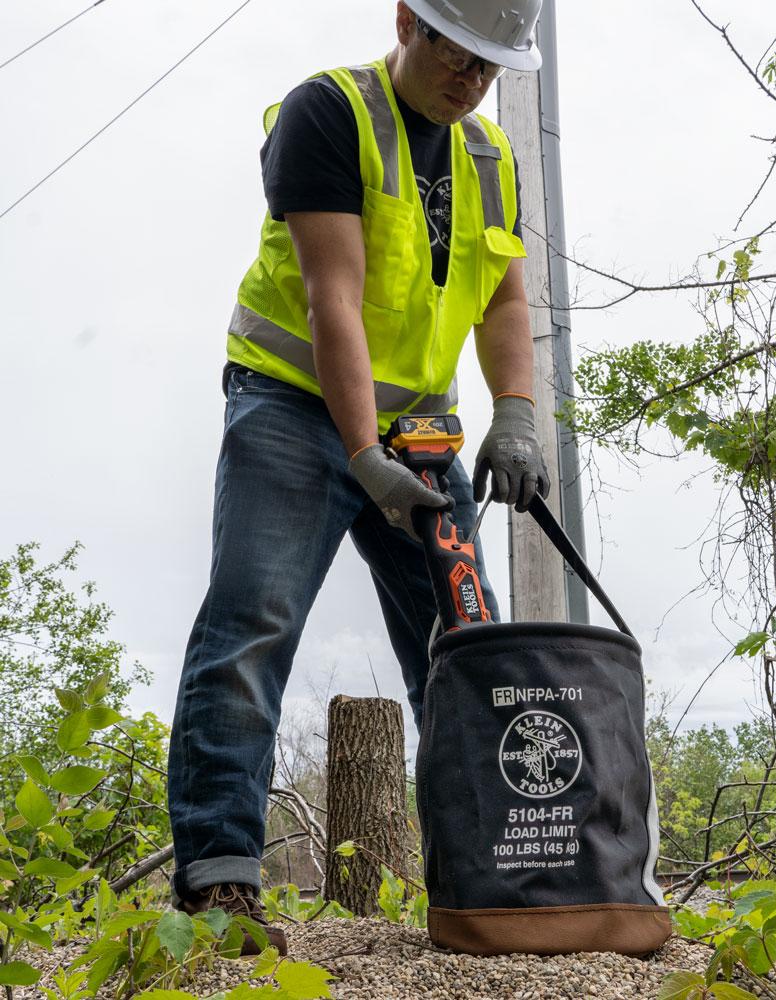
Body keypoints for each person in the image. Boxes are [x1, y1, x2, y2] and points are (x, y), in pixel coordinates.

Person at [166, 0, 548, 957]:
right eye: (460, 56)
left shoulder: (492, 158)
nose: (472, 80)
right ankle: (220, 883)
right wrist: (362, 454)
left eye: (491, 66)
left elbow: (504, 293)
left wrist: (514, 412)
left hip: (421, 432)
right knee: (252, 620)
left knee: (465, 648)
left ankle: (491, 882)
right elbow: (332, 295)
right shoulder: (327, 112)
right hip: (293, 409)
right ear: (408, 21)